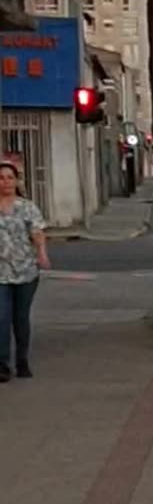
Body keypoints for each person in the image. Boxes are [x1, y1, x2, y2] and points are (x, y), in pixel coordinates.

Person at [0, 162, 50, 382]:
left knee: (21, 318)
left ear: (16, 180)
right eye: (1, 178)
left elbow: (37, 233)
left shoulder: (27, 207)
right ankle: (2, 364)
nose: (6, 182)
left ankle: (22, 361)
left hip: (25, 270)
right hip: (1, 273)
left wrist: (42, 253)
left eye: (10, 178)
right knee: (2, 318)